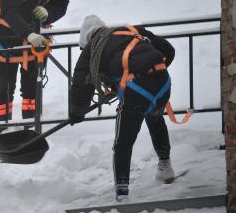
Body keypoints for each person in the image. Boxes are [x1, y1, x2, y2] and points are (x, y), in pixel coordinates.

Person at [69, 15, 176, 202]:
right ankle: (165, 166)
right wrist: (153, 71)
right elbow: (168, 50)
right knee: (154, 115)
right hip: (162, 84)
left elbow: (81, 84)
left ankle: (122, 193)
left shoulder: (92, 49)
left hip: (136, 92)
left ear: (85, 38)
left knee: (123, 142)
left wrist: (76, 112)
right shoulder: (132, 30)